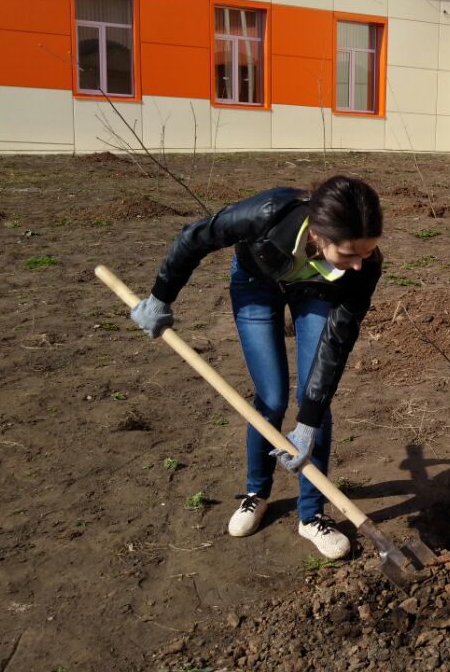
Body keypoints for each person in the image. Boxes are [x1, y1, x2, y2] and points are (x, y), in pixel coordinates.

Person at [129, 176, 383, 558]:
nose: (360, 263)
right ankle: (256, 494)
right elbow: (196, 236)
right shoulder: (267, 213)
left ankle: (311, 514)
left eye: (367, 251)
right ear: (318, 234)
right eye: (349, 254)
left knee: (313, 404)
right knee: (271, 397)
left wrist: (308, 423)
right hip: (256, 283)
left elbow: (337, 341)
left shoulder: (364, 268)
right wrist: (159, 298)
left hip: (318, 290)